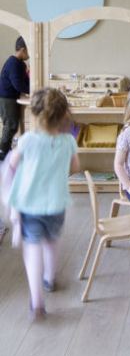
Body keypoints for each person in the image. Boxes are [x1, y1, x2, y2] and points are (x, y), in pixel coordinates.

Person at [5, 89, 79, 319]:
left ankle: (37, 302)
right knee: (52, 242)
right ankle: (49, 277)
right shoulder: (68, 141)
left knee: (33, 247)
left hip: (30, 205)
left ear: (35, 115)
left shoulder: (27, 141)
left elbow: (12, 163)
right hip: (56, 203)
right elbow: (75, 168)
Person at [1, 36, 31, 161]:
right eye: (29, 51)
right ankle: (3, 150)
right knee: (11, 124)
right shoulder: (13, 63)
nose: (29, 55)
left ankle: (6, 148)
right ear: (23, 50)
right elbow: (18, 84)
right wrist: (31, 91)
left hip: (10, 97)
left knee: (12, 124)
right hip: (6, 98)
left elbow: (25, 81)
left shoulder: (20, 64)